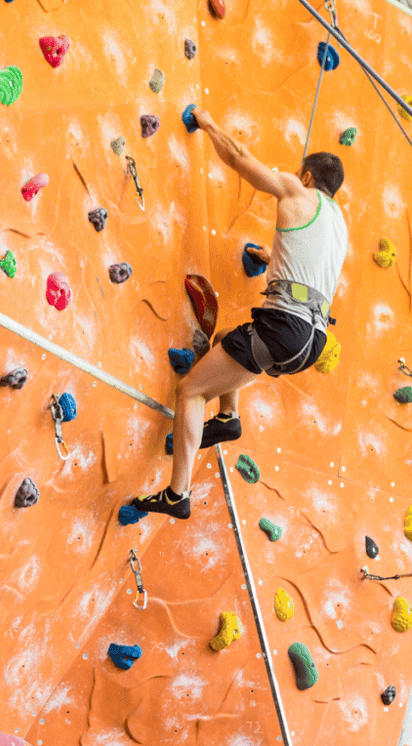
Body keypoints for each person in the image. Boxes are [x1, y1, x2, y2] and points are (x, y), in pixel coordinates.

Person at [129, 107, 348, 520]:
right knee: (229, 334)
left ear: (306, 177)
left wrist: (208, 124)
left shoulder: (297, 192)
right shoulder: (338, 223)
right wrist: (274, 256)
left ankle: (177, 494)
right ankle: (227, 419)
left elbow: (238, 158)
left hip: (286, 327)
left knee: (190, 390)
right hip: (312, 340)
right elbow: (314, 266)